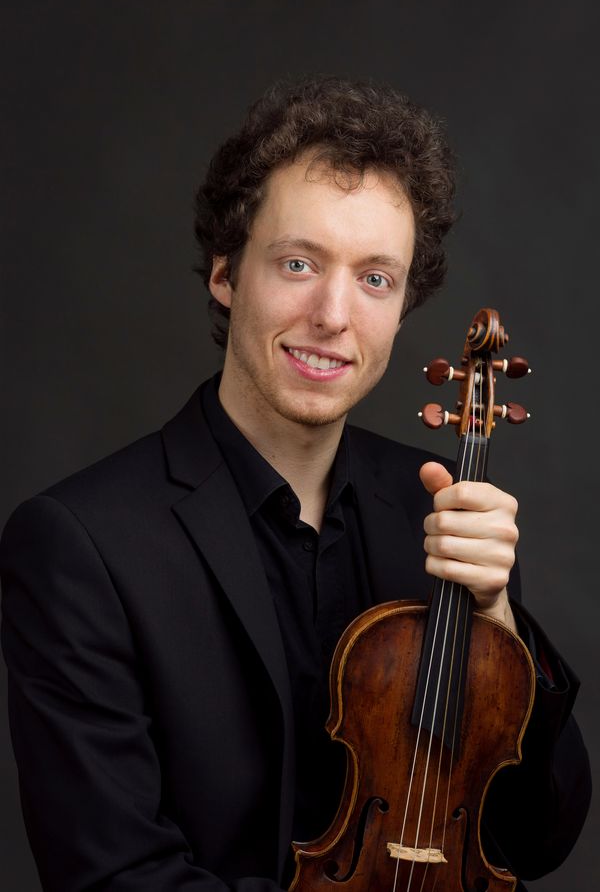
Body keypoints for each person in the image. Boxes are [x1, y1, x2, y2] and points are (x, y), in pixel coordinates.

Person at [0, 76, 591, 892]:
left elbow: (537, 838)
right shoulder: (82, 547)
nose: (333, 315)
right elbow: (114, 874)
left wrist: (498, 627)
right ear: (225, 273)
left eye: (375, 278)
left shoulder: (444, 508)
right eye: (299, 262)